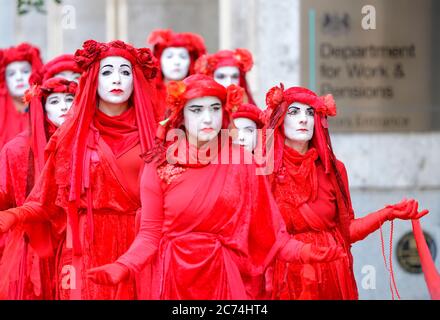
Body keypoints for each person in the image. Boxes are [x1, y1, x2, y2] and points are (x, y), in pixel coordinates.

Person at [86, 75, 344, 300]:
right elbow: (150, 234)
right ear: (181, 115)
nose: (207, 118)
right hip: (173, 277)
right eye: (196, 109)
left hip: (225, 277)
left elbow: (270, 232)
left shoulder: (243, 161)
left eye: (214, 108)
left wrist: (306, 251)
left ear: (224, 112)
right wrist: (123, 266)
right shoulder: (158, 163)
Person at [0, 40, 160, 300]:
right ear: (93, 79)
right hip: (85, 249)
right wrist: (14, 216)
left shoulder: (157, 137)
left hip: (140, 247)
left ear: (136, 80)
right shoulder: (70, 136)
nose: (116, 79)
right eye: (107, 72)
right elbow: (46, 200)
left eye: (125, 72)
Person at [264, 84, 429, 300]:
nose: (304, 119)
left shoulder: (334, 170)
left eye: (310, 112)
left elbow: (346, 232)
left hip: (333, 275)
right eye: (294, 112)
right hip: (285, 277)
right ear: (280, 119)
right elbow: (260, 235)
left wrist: (387, 213)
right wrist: (303, 252)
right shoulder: (264, 171)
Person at [0, 77, 77, 300]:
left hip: (76, 244)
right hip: (34, 245)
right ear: (42, 108)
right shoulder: (17, 149)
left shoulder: (89, 144)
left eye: (70, 99)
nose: (63, 106)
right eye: (54, 101)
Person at [148, 29, 206, 121]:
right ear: (159, 60)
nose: (176, 62)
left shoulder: (201, 95)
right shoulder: (148, 94)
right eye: (169, 56)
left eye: (182, 57)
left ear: (191, 62)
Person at [0, 43, 43, 150]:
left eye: (25, 71)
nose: (19, 77)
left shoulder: (47, 106)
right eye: (11, 74)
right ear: (4, 80)